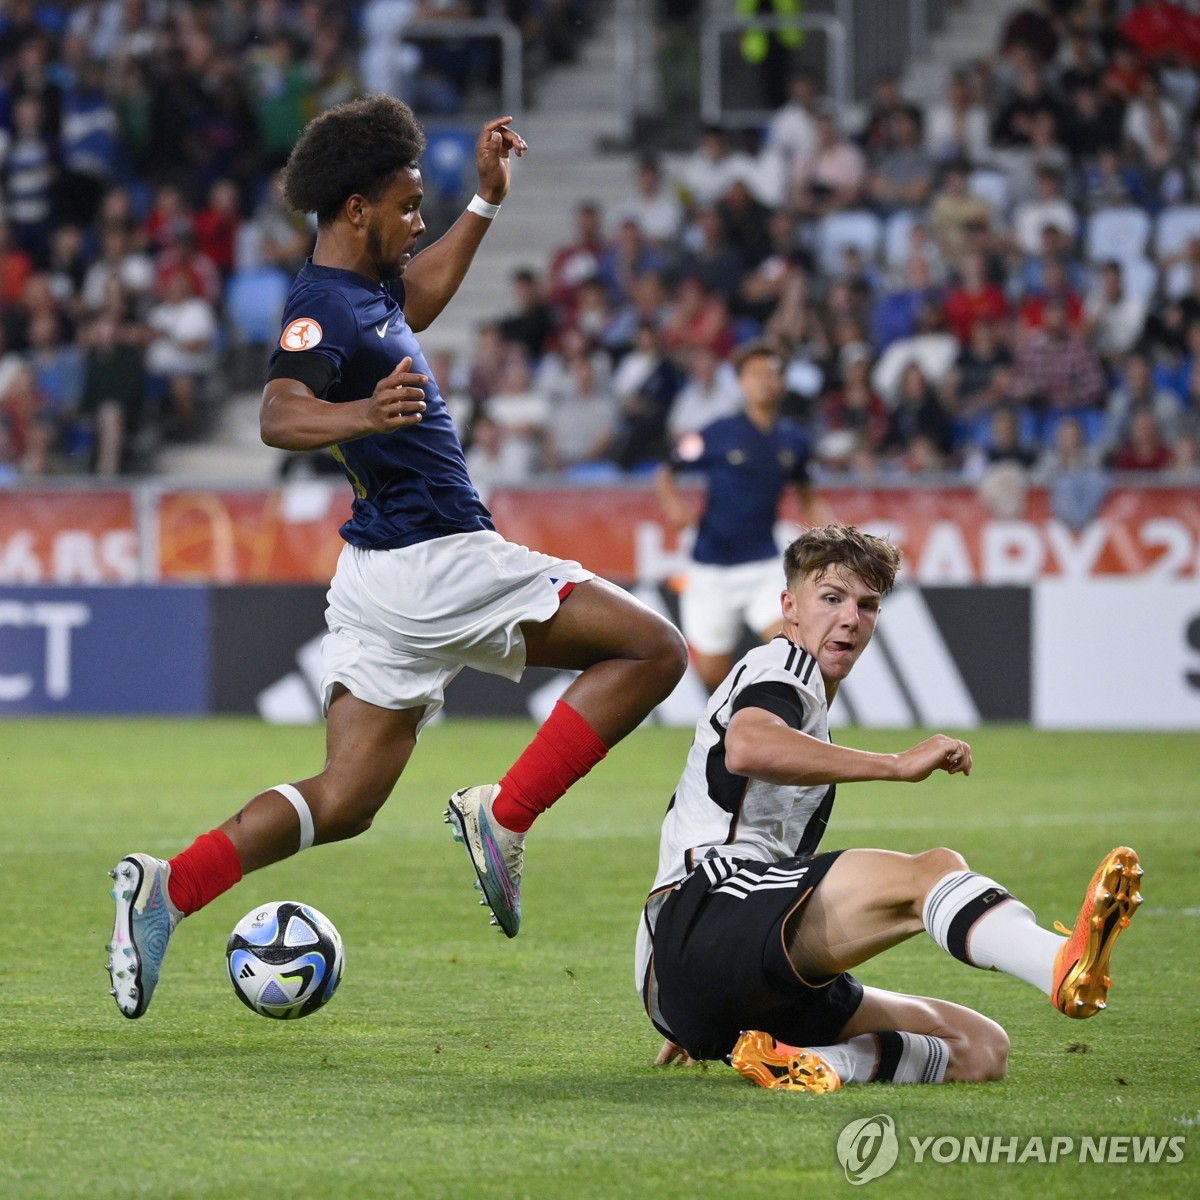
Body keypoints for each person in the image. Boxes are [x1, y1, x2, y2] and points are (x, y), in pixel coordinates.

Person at [106, 95, 688, 1019]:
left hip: (381, 573)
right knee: (655, 651)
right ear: (354, 209)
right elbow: (277, 413)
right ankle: (506, 814)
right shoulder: (320, 305)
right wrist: (360, 415)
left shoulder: (368, 292)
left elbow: (423, 293)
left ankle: (167, 890)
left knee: (343, 800)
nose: (419, 222)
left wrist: (486, 205)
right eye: (409, 206)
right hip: (436, 556)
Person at [637, 523, 1144, 1090]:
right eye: (831, 598)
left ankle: (817, 1065)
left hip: (722, 980)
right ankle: (1059, 962)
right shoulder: (781, 665)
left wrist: (702, 996)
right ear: (790, 606)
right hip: (703, 918)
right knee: (933, 871)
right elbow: (749, 745)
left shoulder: (805, 699)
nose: (851, 618)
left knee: (980, 1048)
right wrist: (897, 764)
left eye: (868, 604)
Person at [655, 338, 829, 693]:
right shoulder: (717, 432)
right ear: (740, 382)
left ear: (782, 383)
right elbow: (667, 471)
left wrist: (840, 536)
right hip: (712, 568)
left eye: (771, 373)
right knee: (712, 676)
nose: (764, 380)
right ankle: (730, 728)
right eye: (755, 373)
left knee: (793, 652)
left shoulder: (794, 440)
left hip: (765, 565)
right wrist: (674, 503)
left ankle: (788, 734)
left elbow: (808, 497)